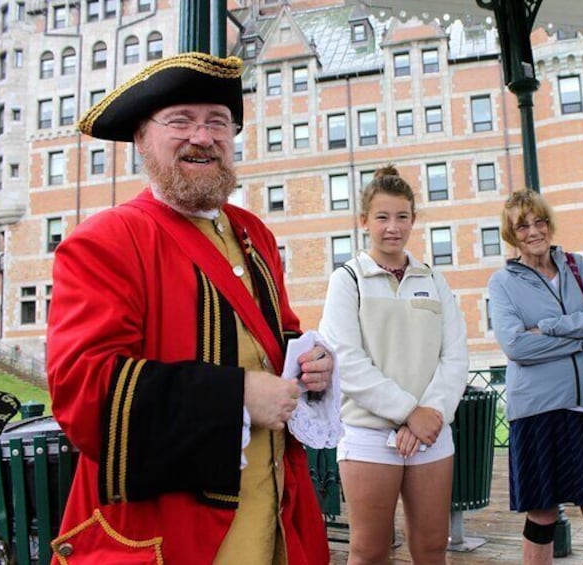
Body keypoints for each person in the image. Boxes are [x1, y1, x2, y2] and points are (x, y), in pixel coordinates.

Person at [46, 52, 331, 564]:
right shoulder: (106, 240)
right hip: (173, 532)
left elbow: (274, 339)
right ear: (141, 138)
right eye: (181, 121)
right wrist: (237, 397)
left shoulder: (254, 232)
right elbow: (84, 391)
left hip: (276, 514)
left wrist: (310, 363)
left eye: (218, 123)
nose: (203, 137)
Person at [319, 165, 469, 564]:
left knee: (432, 547)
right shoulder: (347, 280)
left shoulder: (434, 280)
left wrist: (429, 414)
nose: (393, 227)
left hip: (431, 434)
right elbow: (346, 360)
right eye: (382, 217)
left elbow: (454, 355)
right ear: (364, 220)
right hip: (369, 435)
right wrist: (407, 412)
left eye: (402, 217)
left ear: (413, 220)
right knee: (370, 551)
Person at [487, 189, 583, 565]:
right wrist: (581, 339)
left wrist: (548, 328)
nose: (533, 231)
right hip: (536, 410)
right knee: (541, 511)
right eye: (522, 225)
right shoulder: (502, 282)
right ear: (512, 234)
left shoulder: (579, 266)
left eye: (539, 221)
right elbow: (516, 347)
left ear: (549, 224)